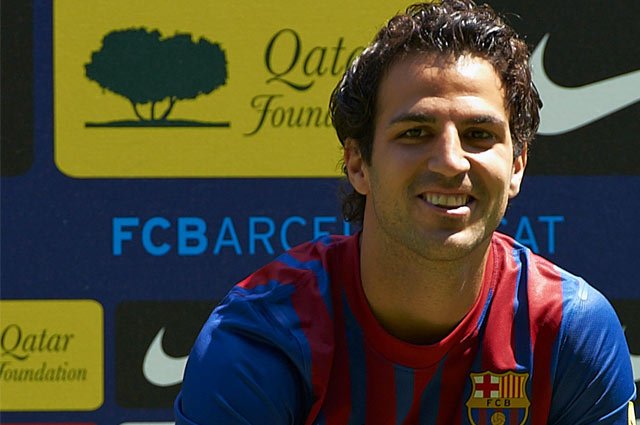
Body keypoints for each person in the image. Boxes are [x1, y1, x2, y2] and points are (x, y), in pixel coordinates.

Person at [175, 1, 637, 424]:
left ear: (516, 167)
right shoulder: (262, 335)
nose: (451, 162)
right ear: (358, 164)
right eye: (415, 132)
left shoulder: (569, 330)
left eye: (479, 135)